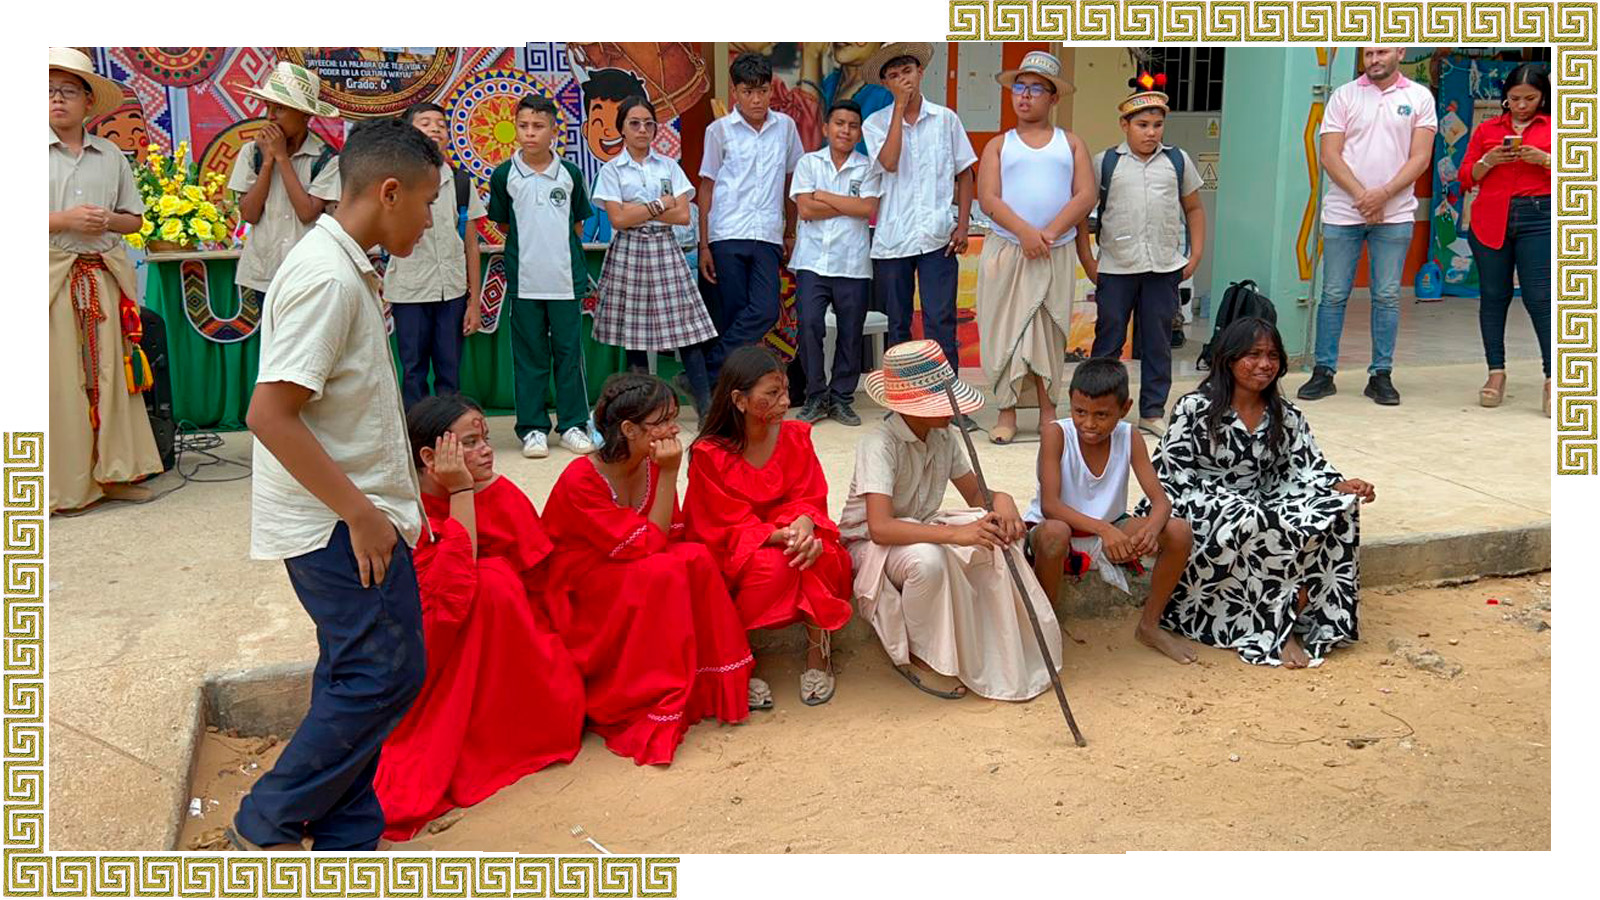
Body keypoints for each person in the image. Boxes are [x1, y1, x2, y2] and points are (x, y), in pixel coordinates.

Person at [231, 118, 442, 851]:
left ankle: (347, 829)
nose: (430, 218)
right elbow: (269, 412)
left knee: (360, 670)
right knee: (384, 675)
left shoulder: (342, 261)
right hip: (336, 522)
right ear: (389, 192)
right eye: (427, 202)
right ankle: (269, 820)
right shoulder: (326, 276)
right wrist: (360, 514)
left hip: (348, 510)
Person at [374, 396, 585, 841]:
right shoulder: (405, 517)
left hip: (512, 652)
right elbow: (450, 596)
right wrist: (462, 494)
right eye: (471, 442)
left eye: (486, 438)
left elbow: (543, 578)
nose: (487, 451)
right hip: (436, 652)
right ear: (430, 458)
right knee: (489, 583)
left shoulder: (499, 490)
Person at [540, 374, 754, 765]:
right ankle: (650, 692)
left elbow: (668, 535)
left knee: (696, 559)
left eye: (674, 417)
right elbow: (647, 545)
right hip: (580, 586)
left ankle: (714, 682)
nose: (673, 429)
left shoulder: (651, 462)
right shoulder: (581, 479)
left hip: (630, 564)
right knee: (663, 571)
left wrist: (665, 473)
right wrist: (672, 473)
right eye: (661, 421)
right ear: (628, 429)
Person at [1143, 317, 1376, 668]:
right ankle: (1276, 630)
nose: (1264, 364)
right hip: (1197, 503)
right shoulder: (1195, 408)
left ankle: (1321, 619)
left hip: (1257, 501)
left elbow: (1304, 466)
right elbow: (1169, 473)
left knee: (1337, 508)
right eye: (1253, 355)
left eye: (1272, 355)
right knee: (1259, 518)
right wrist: (1228, 502)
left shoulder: (1285, 414)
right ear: (1229, 359)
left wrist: (1339, 485)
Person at [839, 340, 1063, 701]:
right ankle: (921, 656)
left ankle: (995, 641)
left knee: (995, 533)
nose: (952, 410)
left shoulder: (944, 436)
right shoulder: (878, 444)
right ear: (912, 406)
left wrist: (1002, 502)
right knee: (928, 562)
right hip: (872, 545)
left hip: (921, 527)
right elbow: (880, 527)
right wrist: (956, 535)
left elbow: (977, 496)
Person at [685, 347, 854, 706]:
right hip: (738, 547)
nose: (785, 402)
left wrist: (805, 525)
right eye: (772, 394)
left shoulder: (795, 436)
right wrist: (780, 535)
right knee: (772, 567)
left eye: (786, 391)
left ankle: (817, 653)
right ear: (739, 400)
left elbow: (811, 498)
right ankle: (737, 657)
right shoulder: (708, 454)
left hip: (791, 535)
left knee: (821, 554)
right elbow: (717, 522)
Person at [48, 47, 163, 513]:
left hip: (101, 277)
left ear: (88, 101)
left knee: (111, 377)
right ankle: (61, 487)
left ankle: (114, 473)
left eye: (68, 91)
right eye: (49, 91)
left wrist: (106, 222)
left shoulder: (110, 154)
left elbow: (134, 221)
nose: (57, 99)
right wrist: (64, 220)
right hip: (48, 278)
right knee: (56, 382)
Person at [1024, 359, 1196, 664]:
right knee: (1054, 532)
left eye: (1101, 415)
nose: (1089, 424)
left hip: (1112, 527)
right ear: (1071, 403)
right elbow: (1050, 506)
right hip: (1061, 528)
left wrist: (1150, 531)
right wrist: (1104, 530)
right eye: (1080, 412)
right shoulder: (1056, 434)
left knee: (1179, 531)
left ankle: (1149, 625)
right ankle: (1045, 626)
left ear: (1124, 408)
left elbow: (1161, 502)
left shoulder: (1130, 436)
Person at [1298, 46, 1437, 407]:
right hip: (1344, 212)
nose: (1374, 59)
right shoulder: (1344, 96)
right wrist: (1364, 196)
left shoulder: (1419, 97)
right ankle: (1324, 371)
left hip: (1395, 214)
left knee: (1388, 296)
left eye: (1382, 52)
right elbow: (1329, 155)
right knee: (1332, 295)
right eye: (1369, 53)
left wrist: (1385, 195)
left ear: (1400, 52)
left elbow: (1420, 156)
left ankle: (1381, 375)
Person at [1076, 74, 1206, 437]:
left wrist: (1194, 255)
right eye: (1143, 125)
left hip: (1164, 267)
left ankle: (1151, 410)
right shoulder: (1106, 163)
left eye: (1158, 125)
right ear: (1125, 125)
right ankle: (1101, 407)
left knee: (1158, 341)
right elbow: (1083, 217)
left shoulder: (1177, 162)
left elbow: (1194, 209)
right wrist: (1089, 260)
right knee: (1108, 341)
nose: (1151, 132)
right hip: (1117, 268)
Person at [976, 51, 1094, 445]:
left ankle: (1048, 412)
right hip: (1008, 249)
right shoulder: (998, 145)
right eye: (1019, 88)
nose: (1024, 97)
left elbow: (1085, 195)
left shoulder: (1071, 144)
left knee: (1047, 333)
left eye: (1035, 89)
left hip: (1053, 252)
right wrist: (1025, 232)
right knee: (1007, 332)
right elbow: (988, 197)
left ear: (1053, 97)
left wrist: (1046, 234)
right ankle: (1006, 413)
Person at [862, 44, 979, 430]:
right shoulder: (876, 122)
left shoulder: (946, 120)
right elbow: (890, 162)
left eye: (907, 70)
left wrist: (962, 225)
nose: (902, 79)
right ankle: (903, 403)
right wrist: (897, 108)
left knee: (940, 320)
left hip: (936, 236)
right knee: (897, 323)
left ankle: (949, 403)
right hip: (893, 239)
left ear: (920, 71)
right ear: (885, 83)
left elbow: (965, 174)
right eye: (893, 75)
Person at [591, 95, 717, 419]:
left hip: (665, 247)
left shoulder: (668, 166)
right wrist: (660, 204)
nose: (643, 129)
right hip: (629, 250)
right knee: (635, 336)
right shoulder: (611, 170)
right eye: (634, 123)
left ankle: (705, 409)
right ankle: (640, 412)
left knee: (687, 330)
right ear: (621, 129)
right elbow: (617, 220)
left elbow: (683, 217)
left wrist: (640, 211)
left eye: (649, 124)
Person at [487, 94, 597, 460]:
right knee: (529, 356)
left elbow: (578, 223)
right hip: (525, 282)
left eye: (538, 126)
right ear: (515, 128)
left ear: (554, 130)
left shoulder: (570, 174)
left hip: (565, 282)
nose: (530, 133)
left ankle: (573, 425)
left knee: (569, 355)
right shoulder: (504, 175)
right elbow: (504, 223)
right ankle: (532, 429)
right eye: (523, 126)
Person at [699, 53, 804, 378]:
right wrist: (704, 245)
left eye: (762, 90)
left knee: (765, 310)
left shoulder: (785, 127)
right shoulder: (719, 131)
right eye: (747, 91)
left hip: (768, 234)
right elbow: (706, 187)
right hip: (727, 233)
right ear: (735, 92)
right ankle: (733, 393)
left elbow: (792, 181)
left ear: (772, 89)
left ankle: (707, 371)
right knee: (734, 314)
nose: (756, 99)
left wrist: (790, 232)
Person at [1459, 63, 1552, 415]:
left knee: (1540, 297)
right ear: (1505, 98)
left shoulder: (1557, 128)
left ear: (1543, 97)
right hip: (1491, 217)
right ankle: (1495, 372)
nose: (1522, 105)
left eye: (1530, 98)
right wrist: (1488, 159)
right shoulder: (1487, 129)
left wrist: (1545, 160)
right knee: (1493, 297)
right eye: (1515, 99)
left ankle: (1552, 378)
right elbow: (1467, 177)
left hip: (1540, 217)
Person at [384, 101, 486, 411]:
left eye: (441, 124)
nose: (435, 128)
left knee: (449, 372)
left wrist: (474, 302)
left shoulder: (460, 182)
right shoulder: (393, 182)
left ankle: (450, 433)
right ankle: (417, 433)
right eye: (425, 122)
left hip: (452, 291)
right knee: (413, 371)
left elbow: (470, 245)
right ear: (407, 133)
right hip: (409, 291)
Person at [790, 99, 881, 427]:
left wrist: (824, 195)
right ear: (826, 128)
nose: (845, 130)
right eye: (839, 123)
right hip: (812, 261)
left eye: (852, 125)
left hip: (852, 263)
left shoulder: (868, 167)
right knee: (811, 325)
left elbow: (866, 209)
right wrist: (847, 203)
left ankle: (842, 396)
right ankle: (816, 394)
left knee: (850, 332)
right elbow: (805, 210)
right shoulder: (808, 163)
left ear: (859, 133)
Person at [229, 61, 343, 301]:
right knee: (271, 338)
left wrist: (281, 157)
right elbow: (249, 214)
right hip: (265, 273)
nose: (270, 117)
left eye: (279, 109)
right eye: (268, 107)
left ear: (305, 115)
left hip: (309, 273)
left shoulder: (327, 159)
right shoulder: (253, 152)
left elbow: (307, 212)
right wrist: (268, 162)